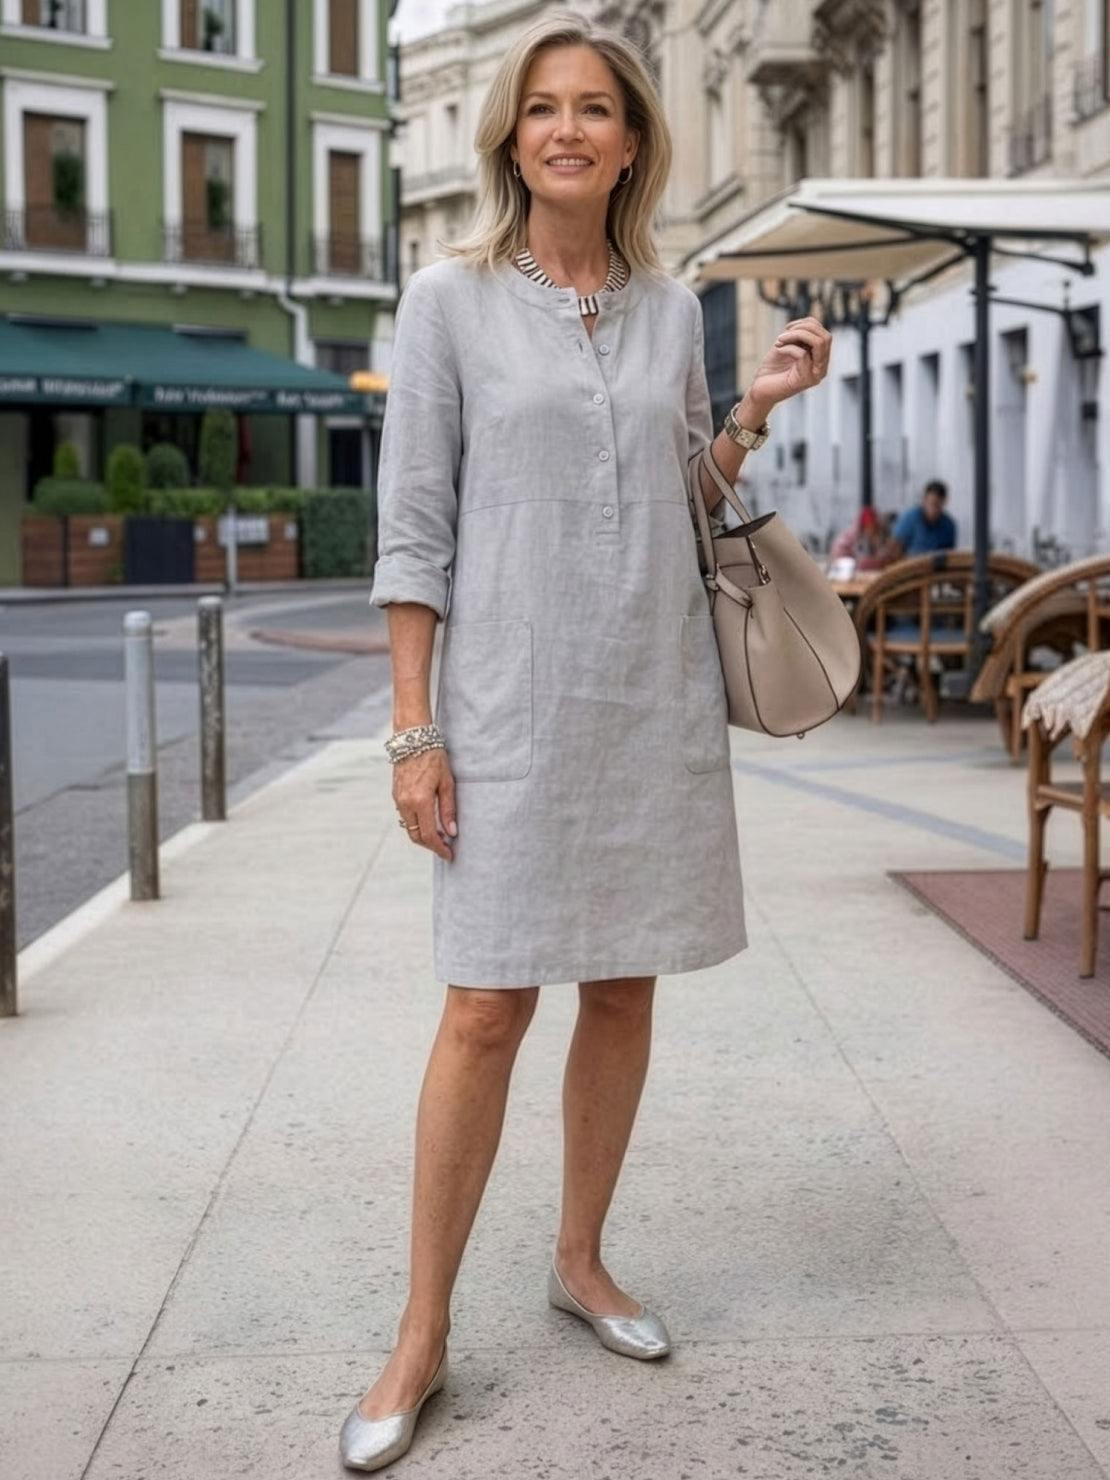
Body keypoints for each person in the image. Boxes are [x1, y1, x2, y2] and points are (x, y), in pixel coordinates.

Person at [339, 11, 831, 1471]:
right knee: (484, 1007)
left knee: (620, 991)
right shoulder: (447, 300)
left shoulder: (673, 311)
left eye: (595, 109)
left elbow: (684, 502)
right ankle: (421, 1329)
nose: (567, 128)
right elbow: (412, 529)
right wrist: (411, 729)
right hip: (505, 708)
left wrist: (742, 418)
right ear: (511, 136)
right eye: (541, 107)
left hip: (648, 696)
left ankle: (578, 1257)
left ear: (630, 141)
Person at [888, 480, 957, 557]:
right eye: (931, 504)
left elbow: (949, 556)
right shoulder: (910, 518)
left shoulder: (949, 525)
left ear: (944, 502)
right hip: (909, 565)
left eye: (938, 505)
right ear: (924, 500)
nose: (934, 510)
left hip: (934, 566)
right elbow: (893, 549)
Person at [828, 505, 888, 570]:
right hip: (842, 564)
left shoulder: (872, 536)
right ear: (863, 526)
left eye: (873, 528)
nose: (871, 530)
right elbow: (861, 562)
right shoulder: (855, 537)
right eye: (869, 527)